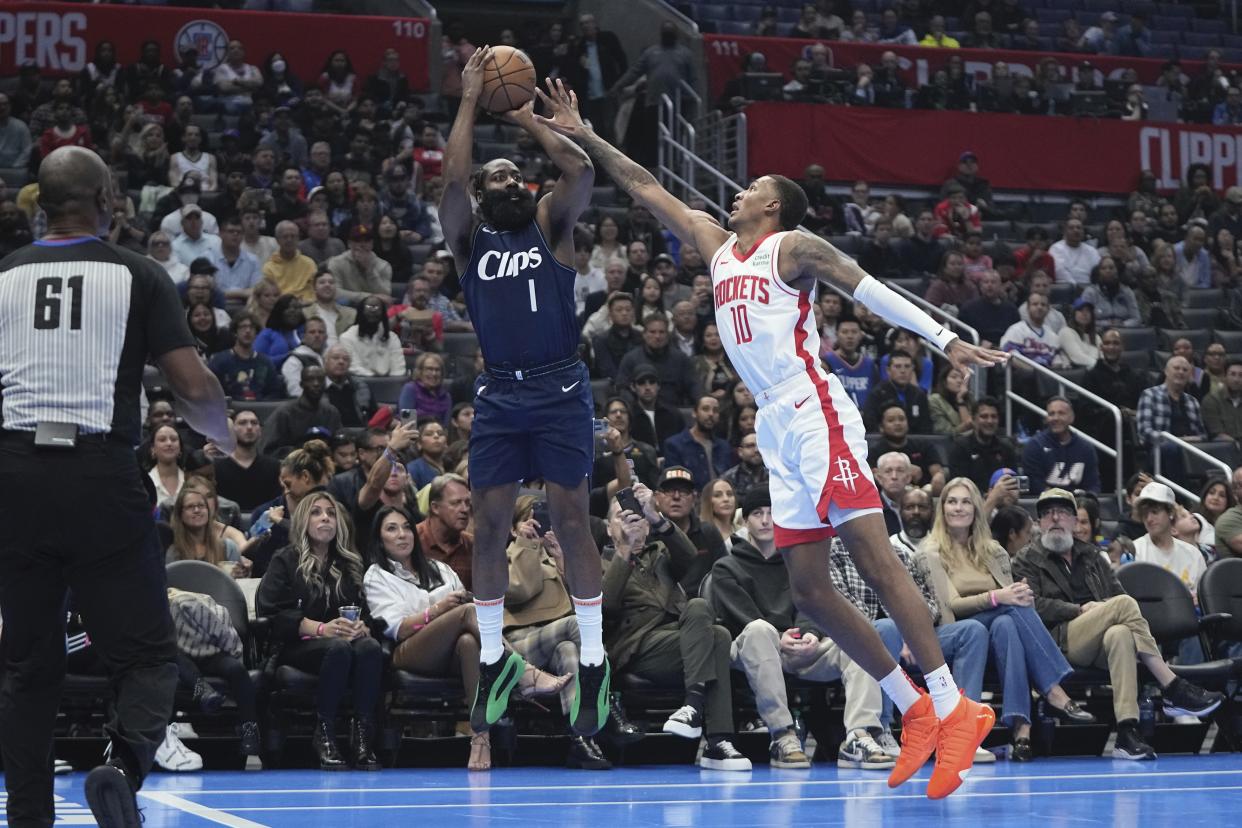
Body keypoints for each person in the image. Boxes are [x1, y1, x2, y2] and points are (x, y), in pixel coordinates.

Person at [536, 77, 1008, 798]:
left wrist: (944, 338)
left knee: (877, 562)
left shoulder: (792, 246)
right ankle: (914, 712)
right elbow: (640, 182)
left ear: (774, 205)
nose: (739, 191)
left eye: (752, 184)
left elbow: (864, 285)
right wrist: (580, 129)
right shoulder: (716, 245)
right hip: (771, 422)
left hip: (815, 410)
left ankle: (954, 706)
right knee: (811, 590)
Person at [0, 146, 232, 826]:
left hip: (15, 477)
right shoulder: (138, 274)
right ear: (107, 199)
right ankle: (120, 762)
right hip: (100, 475)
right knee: (150, 656)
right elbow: (191, 389)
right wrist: (215, 424)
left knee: (25, 666)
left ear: (41, 203)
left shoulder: (3, 276)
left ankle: (29, 816)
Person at [440, 54, 612, 743]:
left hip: (561, 384)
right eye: (497, 176)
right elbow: (451, 179)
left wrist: (527, 117)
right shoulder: (468, 239)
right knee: (488, 527)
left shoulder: (550, 224)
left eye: (516, 173)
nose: (510, 180)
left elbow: (583, 171)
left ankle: (594, 660)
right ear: (483, 194)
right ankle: (491, 655)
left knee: (572, 521)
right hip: (502, 394)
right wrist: (471, 101)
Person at [1013, 488, 1224, 760]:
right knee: (1124, 606)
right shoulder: (1026, 559)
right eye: (1048, 514)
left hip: (1098, 642)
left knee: (1121, 633)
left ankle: (1126, 731)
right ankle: (1172, 686)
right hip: (1056, 642)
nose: (1055, 518)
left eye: (1063, 513)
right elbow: (1030, 605)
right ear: (1040, 522)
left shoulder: (1091, 556)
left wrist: (1102, 611)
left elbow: (1117, 594)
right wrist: (1079, 609)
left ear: (1074, 521)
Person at [363, 504, 567, 771]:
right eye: (392, 529)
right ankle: (523, 671)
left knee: (469, 642)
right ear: (379, 539)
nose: (402, 534)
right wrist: (438, 610)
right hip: (409, 651)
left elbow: (465, 608)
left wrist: (457, 605)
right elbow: (397, 628)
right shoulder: (377, 576)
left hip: (451, 649)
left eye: (406, 528)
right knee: (468, 613)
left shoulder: (439, 569)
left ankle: (480, 739)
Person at [916, 478, 1092, 761]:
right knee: (1006, 613)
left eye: (965, 502)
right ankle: (1050, 693)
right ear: (942, 509)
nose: (958, 508)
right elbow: (950, 608)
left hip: (992, 627)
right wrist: (998, 597)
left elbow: (1013, 602)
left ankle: (1021, 731)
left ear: (976, 508)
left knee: (1009, 623)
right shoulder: (930, 552)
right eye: (951, 502)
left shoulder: (993, 551)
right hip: (951, 631)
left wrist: (1019, 595)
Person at [713, 487, 884, 770]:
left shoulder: (797, 562)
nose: (766, 520)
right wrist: (780, 637)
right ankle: (783, 735)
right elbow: (742, 617)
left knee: (859, 640)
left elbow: (812, 602)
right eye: (758, 514)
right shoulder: (726, 566)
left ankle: (858, 734)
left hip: (796, 648)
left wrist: (809, 633)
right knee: (759, 630)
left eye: (772, 513)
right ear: (745, 522)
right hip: (750, 651)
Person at [601, 487, 750, 770]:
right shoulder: (599, 561)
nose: (633, 523)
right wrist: (624, 549)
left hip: (680, 638)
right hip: (635, 647)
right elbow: (606, 604)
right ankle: (714, 737)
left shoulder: (659, 554)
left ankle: (703, 723)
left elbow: (690, 555)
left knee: (713, 627)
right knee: (712, 631)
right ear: (609, 528)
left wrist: (657, 519)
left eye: (639, 518)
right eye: (623, 517)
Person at [256, 492, 385, 772]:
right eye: (316, 512)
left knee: (371, 647)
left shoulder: (349, 562)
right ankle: (324, 733)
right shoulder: (286, 560)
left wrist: (363, 626)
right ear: (303, 520)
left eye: (330, 512)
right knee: (337, 648)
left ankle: (363, 733)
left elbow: (367, 611)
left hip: (343, 643)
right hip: (298, 646)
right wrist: (320, 628)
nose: (325, 517)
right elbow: (270, 613)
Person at [1131, 482, 1207, 596]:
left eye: (1155, 512)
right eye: (1145, 514)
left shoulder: (1193, 555)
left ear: (1170, 512)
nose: (1149, 519)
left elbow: (1204, 594)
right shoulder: (1135, 551)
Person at [1022, 396, 1100, 495]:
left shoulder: (1086, 448)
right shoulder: (1034, 446)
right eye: (1051, 414)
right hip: (1044, 503)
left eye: (1061, 413)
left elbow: (1093, 485)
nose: (1056, 418)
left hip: (1078, 505)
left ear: (1071, 418)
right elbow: (1035, 484)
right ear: (1046, 418)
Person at [214, 409, 283, 512]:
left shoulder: (275, 467)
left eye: (254, 423)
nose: (249, 427)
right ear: (231, 430)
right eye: (242, 423)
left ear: (260, 430)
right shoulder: (216, 467)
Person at [662, 395, 733, 491]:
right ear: (694, 413)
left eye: (715, 410)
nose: (711, 414)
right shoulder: (675, 445)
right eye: (705, 409)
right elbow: (674, 483)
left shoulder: (724, 447)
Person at [948, 397, 1018, 494]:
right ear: (973, 420)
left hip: (1002, 503)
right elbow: (959, 487)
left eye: (994, 416)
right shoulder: (960, 448)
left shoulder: (1007, 448)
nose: (989, 421)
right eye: (984, 416)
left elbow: (1013, 484)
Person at [1203, 358, 1242, 442]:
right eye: (1232, 374)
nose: (1236, 379)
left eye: (1241, 375)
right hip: (1224, 449)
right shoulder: (1211, 400)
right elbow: (1217, 434)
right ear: (1224, 376)